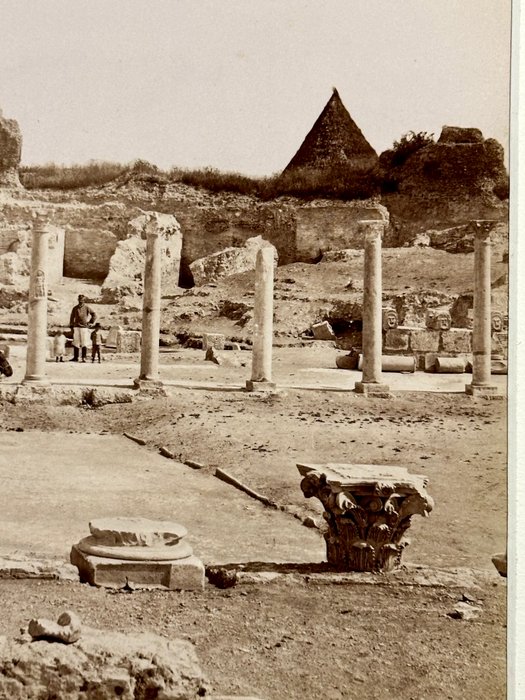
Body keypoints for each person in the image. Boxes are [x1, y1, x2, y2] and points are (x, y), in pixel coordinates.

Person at [69, 294, 96, 363]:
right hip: (76, 327)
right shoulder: (75, 308)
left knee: (84, 342)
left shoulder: (87, 307)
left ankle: (83, 357)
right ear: (78, 300)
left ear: (84, 300)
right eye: (79, 300)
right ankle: (76, 357)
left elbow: (94, 314)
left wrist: (90, 322)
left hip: (84, 327)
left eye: (82, 300)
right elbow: (72, 317)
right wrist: (71, 326)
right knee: (76, 342)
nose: (81, 301)